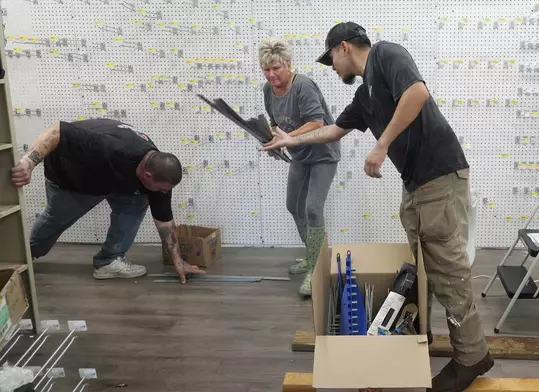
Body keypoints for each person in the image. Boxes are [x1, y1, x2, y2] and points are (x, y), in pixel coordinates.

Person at [262, 22, 493, 392]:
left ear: (344, 48)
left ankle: (471, 356)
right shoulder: (364, 98)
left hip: (440, 176)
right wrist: (292, 137)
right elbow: (333, 131)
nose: (332, 68)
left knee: (448, 272)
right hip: (417, 184)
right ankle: (424, 337)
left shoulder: (386, 54)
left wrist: (382, 144)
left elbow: (416, 93)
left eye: (331, 60)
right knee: (424, 268)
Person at [11, 118, 205, 284]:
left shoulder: (159, 173)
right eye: (161, 188)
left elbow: (165, 221)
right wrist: (29, 162)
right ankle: (18, 257)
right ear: (147, 175)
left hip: (110, 178)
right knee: (57, 220)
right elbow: (57, 131)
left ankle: (108, 262)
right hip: (73, 176)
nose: (163, 193)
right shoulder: (113, 149)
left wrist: (178, 260)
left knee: (136, 203)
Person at [259, 37, 341, 296]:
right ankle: (311, 255)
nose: (271, 74)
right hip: (300, 155)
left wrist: (289, 139)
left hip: (323, 154)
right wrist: (275, 140)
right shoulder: (267, 90)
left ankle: (315, 269)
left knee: (313, 208)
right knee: (293, 205)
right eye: (266, 69)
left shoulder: (302, 85)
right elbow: (276, 124)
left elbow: (317, 122)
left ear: (288, 65)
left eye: (276, 68)